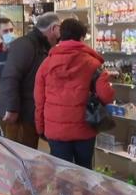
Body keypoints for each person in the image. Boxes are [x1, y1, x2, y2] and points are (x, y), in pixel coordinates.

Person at [34, 18, 115, 169]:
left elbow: (39, 100)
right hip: (84, 128)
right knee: (84, 174)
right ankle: (84, 194)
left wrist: (40, 127)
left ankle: (63, 194)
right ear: (82, 38)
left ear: (61, 36)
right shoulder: (93, 64)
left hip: (55, 129)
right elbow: (107, 95)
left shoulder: (46, 64)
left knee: (61, 174)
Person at [0, 12, 61, 149]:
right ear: (54, 28)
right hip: (18, 115)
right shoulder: (26, 45)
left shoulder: (39, 46)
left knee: (26, 155)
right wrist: (12, 108)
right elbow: (10, 77)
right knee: (20, 157)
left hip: (28, 113)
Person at [0, 18, 15, 93]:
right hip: (3, 95)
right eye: (5, 31)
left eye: (11, 30)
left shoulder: (19, 49)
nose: (9, 33)